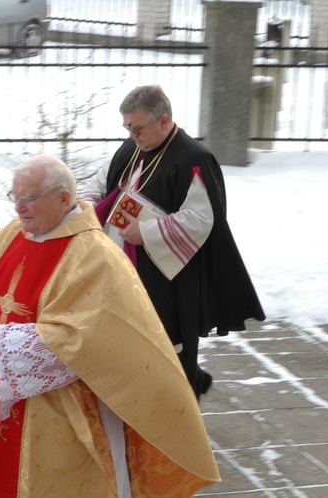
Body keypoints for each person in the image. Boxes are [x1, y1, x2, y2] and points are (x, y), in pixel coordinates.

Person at [0, 154, 221, 497]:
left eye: (29, 198)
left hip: (58, 415)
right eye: (14, 197)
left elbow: (87, 337)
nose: (18, 208)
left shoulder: (94, 254)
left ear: (63, 199)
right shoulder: (7, 238)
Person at [82, 85, 265, 398]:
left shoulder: (193, 158)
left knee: (166, 342)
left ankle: (180, 404)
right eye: (127, 127)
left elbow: (202, 219)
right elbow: (102, 180)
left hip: (165, 275)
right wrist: (87, 203)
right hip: (122, 265)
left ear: (163, 122)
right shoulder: (134, 148)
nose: (131, 136)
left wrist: (148, 233)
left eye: (137, 128)